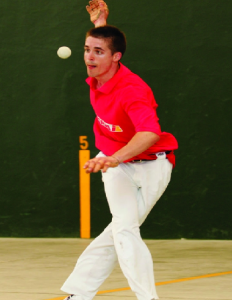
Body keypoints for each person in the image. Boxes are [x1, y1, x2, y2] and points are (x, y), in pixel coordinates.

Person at [61, 1, 178, 300]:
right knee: (124, 230)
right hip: (116, 165)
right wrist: (100, 23)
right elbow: (104, 46)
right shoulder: (100, 73)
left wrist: (114, 157)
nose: (89, 56)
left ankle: (79, 292)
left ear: (116, 58)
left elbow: (150, 132)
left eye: (97, 52)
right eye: (87, 49)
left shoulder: (131, 91)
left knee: (119, 231)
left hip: (152, 165)